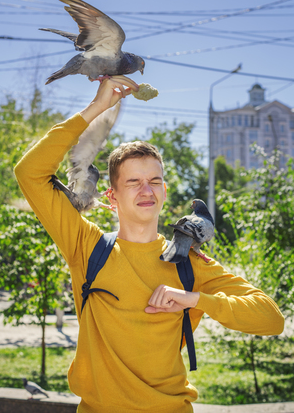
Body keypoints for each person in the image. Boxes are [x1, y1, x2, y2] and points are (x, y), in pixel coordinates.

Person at [15, 76, 284, 413]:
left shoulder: (188, 261)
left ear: (165, 191)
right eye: (134, 182)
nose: (147, 190)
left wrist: (194, 299)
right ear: (111, 197)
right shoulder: (85, 245)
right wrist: (98, 107)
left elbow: (272, 319)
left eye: (154, 181)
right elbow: (29, 172)